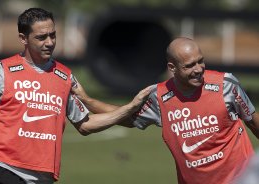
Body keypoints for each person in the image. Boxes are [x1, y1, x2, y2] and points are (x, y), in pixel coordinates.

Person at [0, 8, 152, 184]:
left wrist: (129, 108)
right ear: (23, 38)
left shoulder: (65, 76)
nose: (49, 42)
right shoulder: (2, 70)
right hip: (3, 167)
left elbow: (85, 124)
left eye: (53, 35)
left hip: (43, 176)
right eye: (41, 37)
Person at [73, 37, 259, 184]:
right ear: (172, 68)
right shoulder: (159, 96)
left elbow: (253, 121)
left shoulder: (226, 85)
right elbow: (127, 118)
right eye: (189, 66)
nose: (198, 70)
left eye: (200, 61)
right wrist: (87, 101)